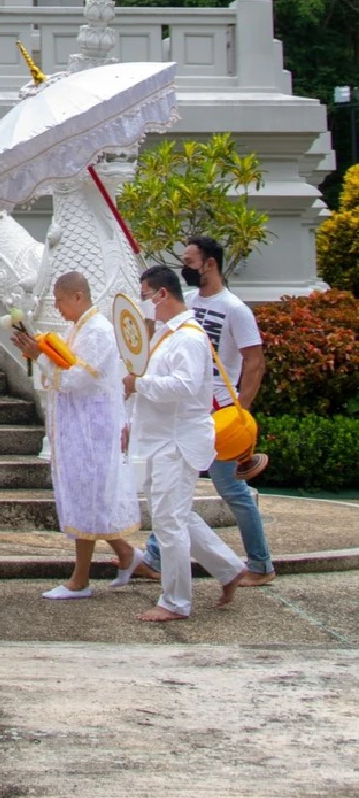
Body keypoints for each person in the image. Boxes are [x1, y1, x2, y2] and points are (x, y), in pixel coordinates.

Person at [132, 237, 276, 589]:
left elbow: (254, 363)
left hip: (220, 412)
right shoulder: (189, 303)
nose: (185, 266)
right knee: (173, 489)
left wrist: (241, 413)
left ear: (208, 264)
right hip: (188, 411)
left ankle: (259, 562)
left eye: (189, 260)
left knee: (229, 488)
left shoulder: (236, 309)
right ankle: (156, 556)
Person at [121, 264, 259, 622]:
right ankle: (229, 569)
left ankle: (175, 601)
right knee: (175, 514)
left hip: (179, 440)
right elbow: (153, 383)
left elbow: (183, 386)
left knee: (169, 521)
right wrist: (133, 421)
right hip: (159, 437)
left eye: (146, 296)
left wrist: (139, 385)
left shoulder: (189, 337)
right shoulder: (166, 335)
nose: (145, 305)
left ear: (162, 294)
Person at [11, 270, 139, 599]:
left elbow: (75, 379)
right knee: (88, 496)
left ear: (78, 296)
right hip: (79, 427)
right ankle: (126, 554)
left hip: (93, 429)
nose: (58, 308)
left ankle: (80, 579)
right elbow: (63, 370)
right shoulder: (76, 328)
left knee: (87, 496)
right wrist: (37, 352)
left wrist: (40, 357)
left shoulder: (97, 331)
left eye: (60, 301)